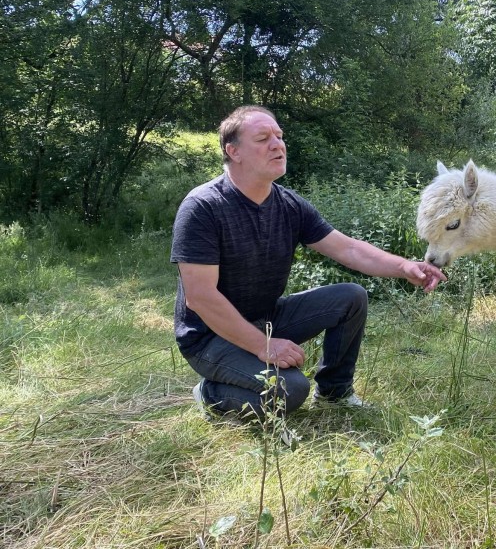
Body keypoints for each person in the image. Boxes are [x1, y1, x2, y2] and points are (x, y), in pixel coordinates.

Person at [171, 105, 446, 422]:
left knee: (350, 297)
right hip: (209, 337)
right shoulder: (203, 207)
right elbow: (201, 296)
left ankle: (335, 392)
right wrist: (263, 345)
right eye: (263, 138)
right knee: (289, 390)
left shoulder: (289, 204)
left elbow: (348, 249)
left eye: (279, 136)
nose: (277, 144)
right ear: (233, 151)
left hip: (267, 318)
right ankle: (211, 394)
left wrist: (404, 267)